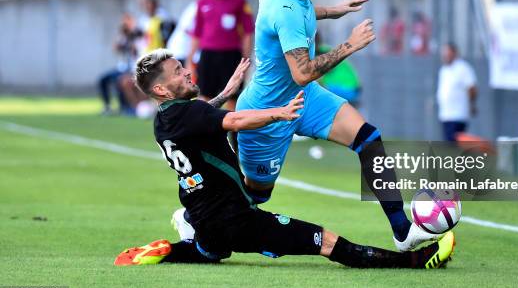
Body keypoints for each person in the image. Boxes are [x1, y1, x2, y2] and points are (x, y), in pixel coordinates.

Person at [113, 49, 455, 269]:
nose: (186, 71)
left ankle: (176, 247)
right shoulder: (189, 115)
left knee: (210, 252)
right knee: (328, 242)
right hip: (235, 219)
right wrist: (279, 113)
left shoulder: (164, 119)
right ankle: (413, 259)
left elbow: (201, 116)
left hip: (206, 219)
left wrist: (226, 93)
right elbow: (232, 121)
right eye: (176, 71)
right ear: (160, 89)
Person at [235, 0, 435, 252]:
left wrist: (333, 11)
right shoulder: (283, 8)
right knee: (257, 196)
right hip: (266, 114)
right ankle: (200, 218)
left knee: (368, 139)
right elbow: (301, 73)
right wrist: (349, 45)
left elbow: (301, 15)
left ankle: (402, 231)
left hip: (305, 99)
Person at [187, 0, 255, 110]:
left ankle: (234, 133)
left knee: (232, 98)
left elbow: (248, 32)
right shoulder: (202, 2)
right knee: (205, 98)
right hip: (208, 56)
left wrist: (245, 59)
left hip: (231, 56)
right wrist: (190, 59)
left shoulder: (239, 1)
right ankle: (207, 133)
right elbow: (196, 33)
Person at [98, 13, 142, 115]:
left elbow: (136, 51)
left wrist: (131, 38)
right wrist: (122, 37)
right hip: (121, 68)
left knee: (121, 81)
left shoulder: (137, 35)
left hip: (131, 68)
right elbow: (115, 48)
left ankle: (125, 107)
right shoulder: (123, 37)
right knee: (102, 79)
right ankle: (107, 105)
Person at [436, 42, 478, 142]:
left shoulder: (463, 68)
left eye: (447, 52)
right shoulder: (444, 69)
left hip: (458, 115)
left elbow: (472, 88)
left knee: (455, 145)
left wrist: (472, 105)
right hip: (445, 114)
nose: (445, 55)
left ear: (454, 53)